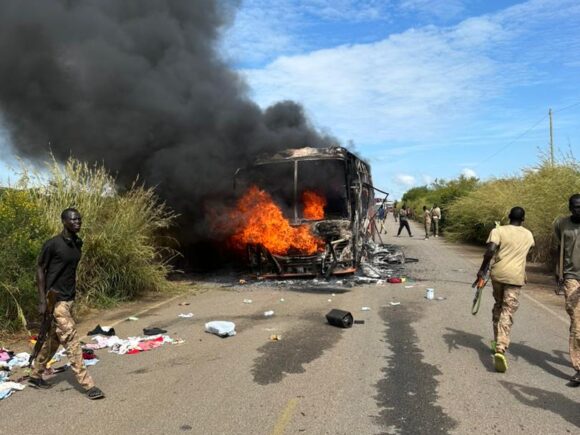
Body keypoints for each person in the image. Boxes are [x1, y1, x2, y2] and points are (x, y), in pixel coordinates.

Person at [29, 208, 105, 400]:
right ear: (64, 221)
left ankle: (36, 374)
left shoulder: (77, 243)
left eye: (79, 219)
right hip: (56, 301)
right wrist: (41, 300)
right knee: (71, 339)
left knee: (54, 339)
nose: (78, 222)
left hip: (69, 299)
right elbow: (40, 268)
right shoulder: (53, 244)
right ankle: (88, 385)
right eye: (73, 219)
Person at [476, 207, 534, 373]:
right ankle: (501, 347)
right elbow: (529, 250)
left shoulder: (498, 230)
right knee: (508, 310)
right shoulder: (528, 234)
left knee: (499, 305)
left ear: (509, 217)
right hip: (516, 276)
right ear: (523, 219)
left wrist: (482, 270)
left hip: (498, 274)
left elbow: (490, 251)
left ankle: (497, 341)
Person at [553, 193, 580, 384]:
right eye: (575, 206)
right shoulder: (561, 223)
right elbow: (559, 247)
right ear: (570, 207)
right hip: (572, 277)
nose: (578, 209)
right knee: (577, 321)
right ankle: (579, 367)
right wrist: (558, 272)